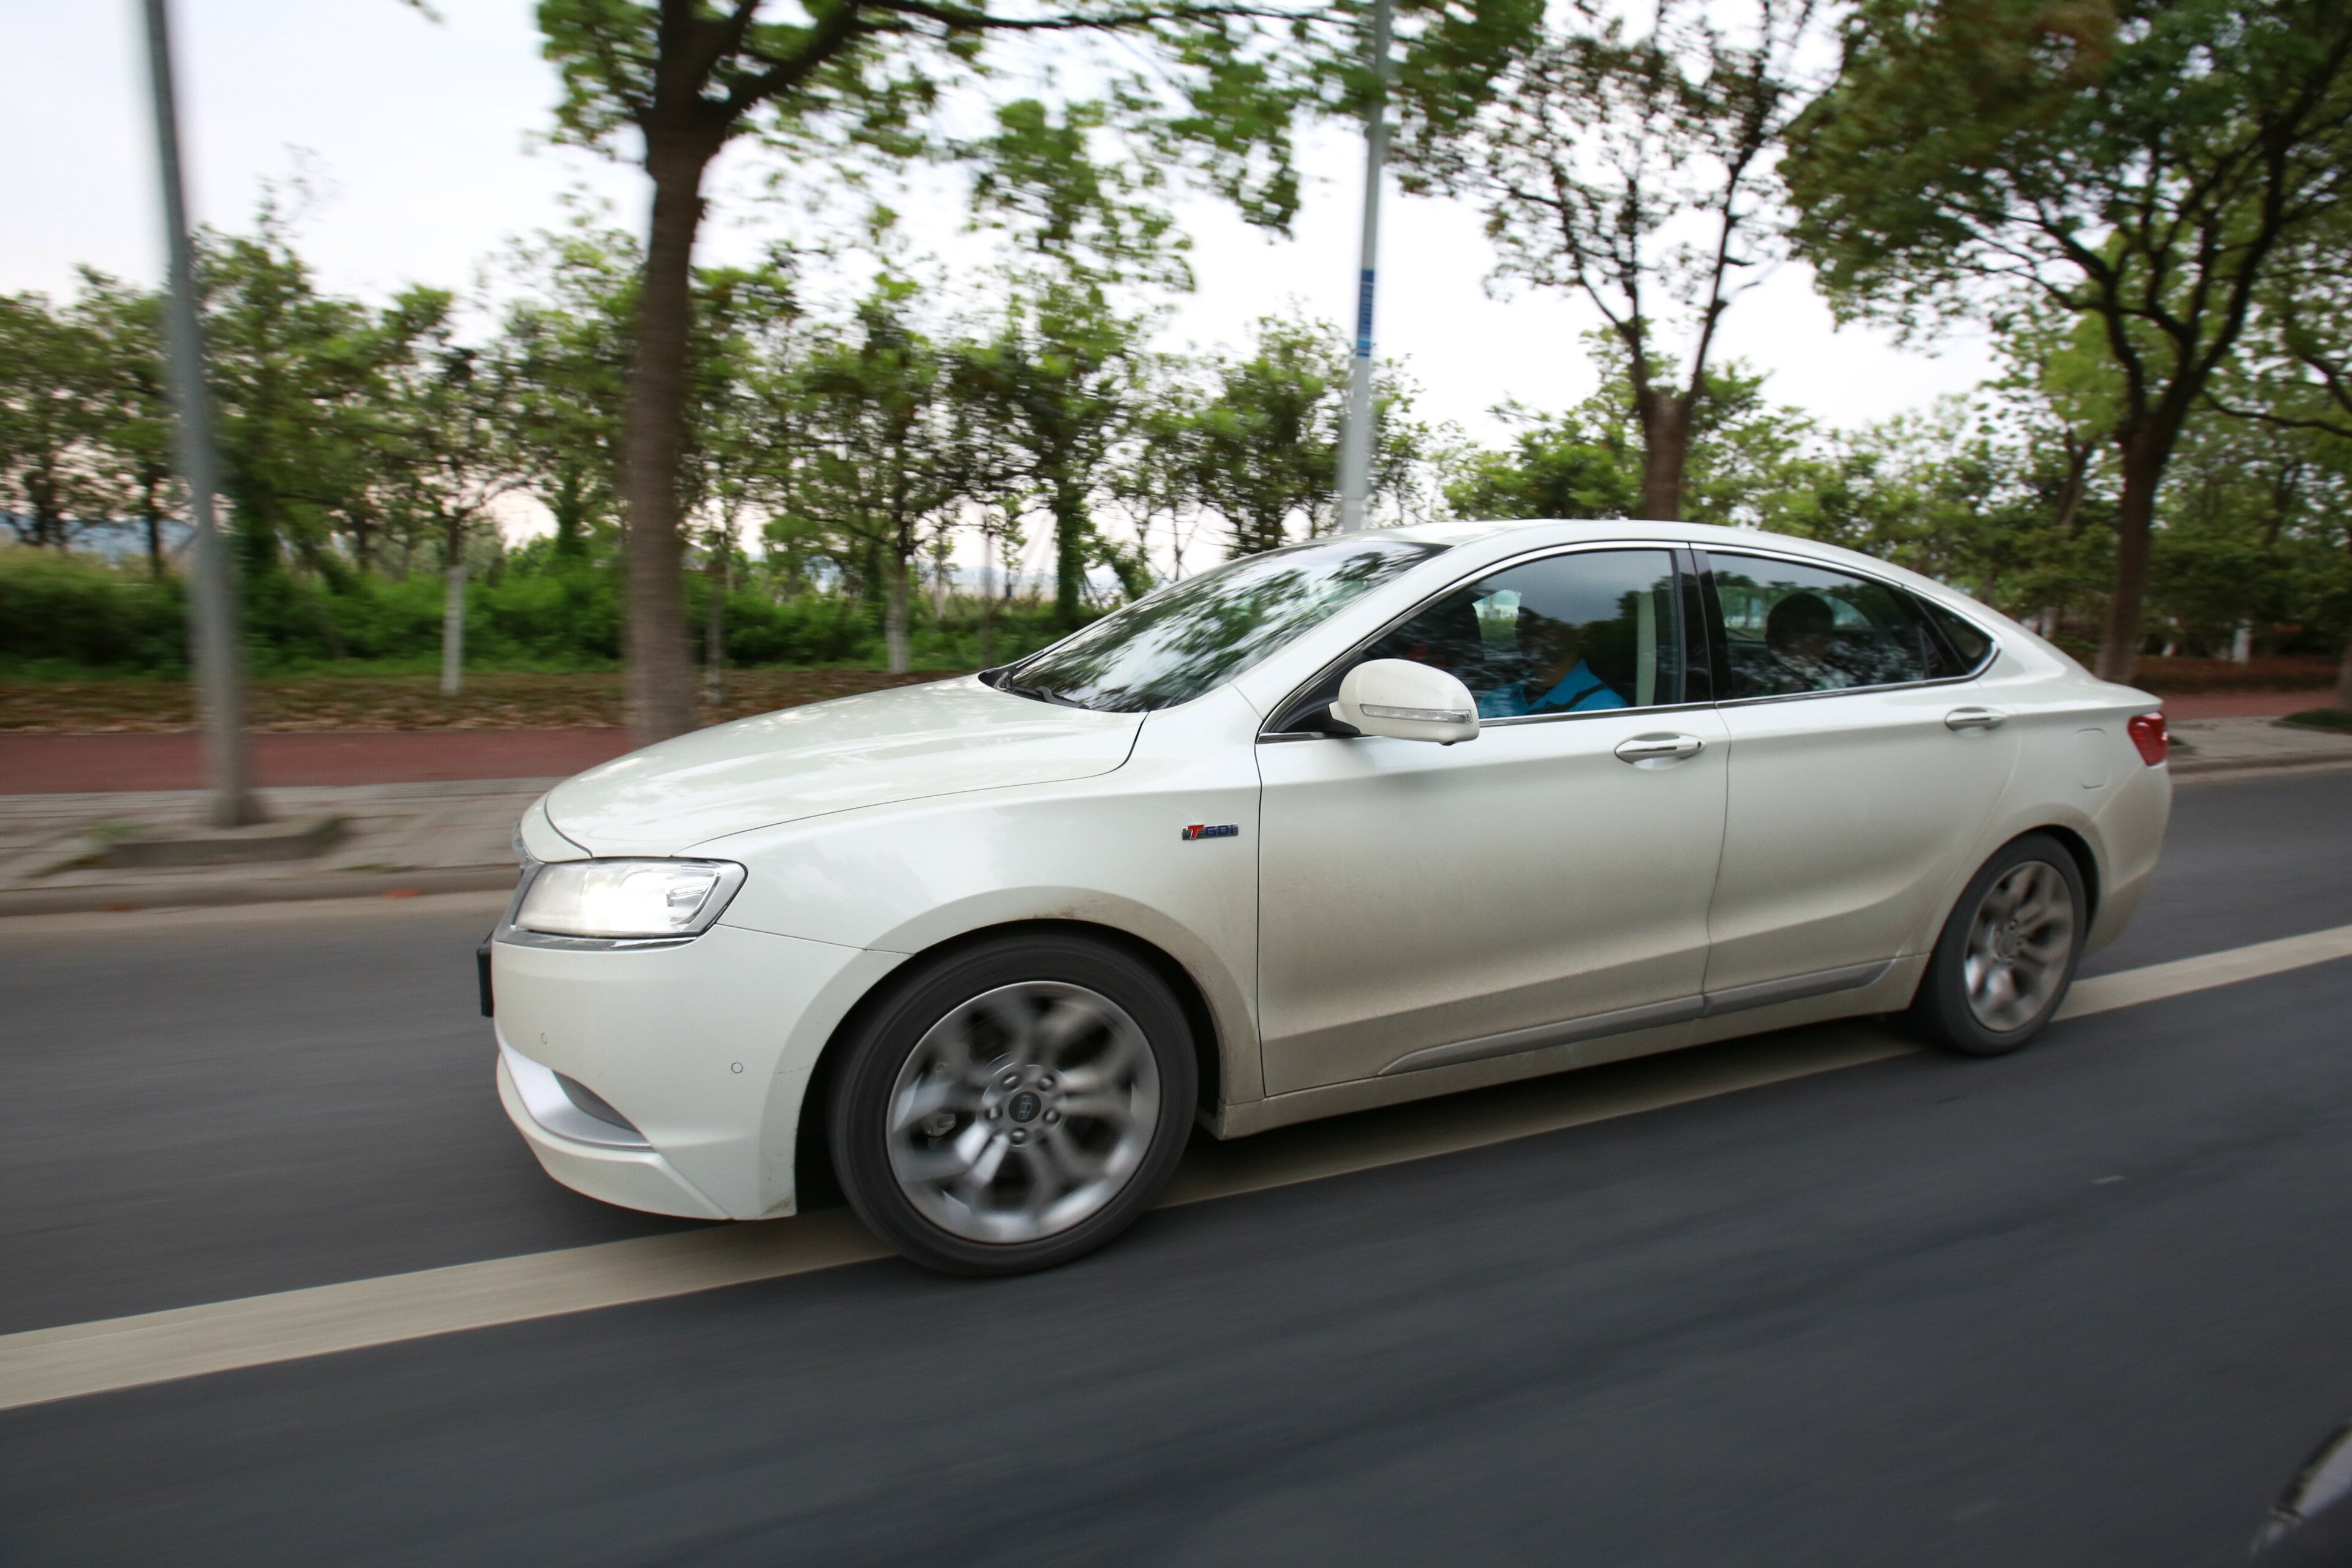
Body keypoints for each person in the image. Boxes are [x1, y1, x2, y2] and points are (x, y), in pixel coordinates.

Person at [1478, 609, 1628, 717]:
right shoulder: (1496, 699)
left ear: (1580, 631)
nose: (1535, 627)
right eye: (1529, 619)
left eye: (1549, 616)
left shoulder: (1604, 709)